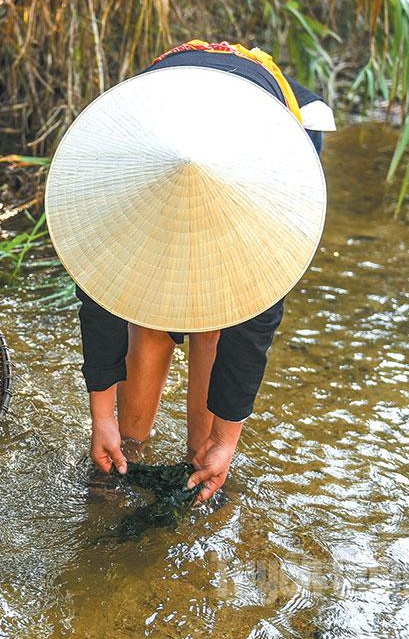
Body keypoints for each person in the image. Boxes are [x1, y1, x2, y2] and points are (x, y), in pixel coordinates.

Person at [45, 40, 334, 504]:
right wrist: (104, 420)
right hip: (163, 135)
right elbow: (101, 299)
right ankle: (122, 462)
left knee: (215, 332)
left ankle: (202, 467)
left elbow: (254, 326)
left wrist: (226, 441)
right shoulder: (122, 182)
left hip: (264, 139)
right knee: (147, 318)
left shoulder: (268, 192)